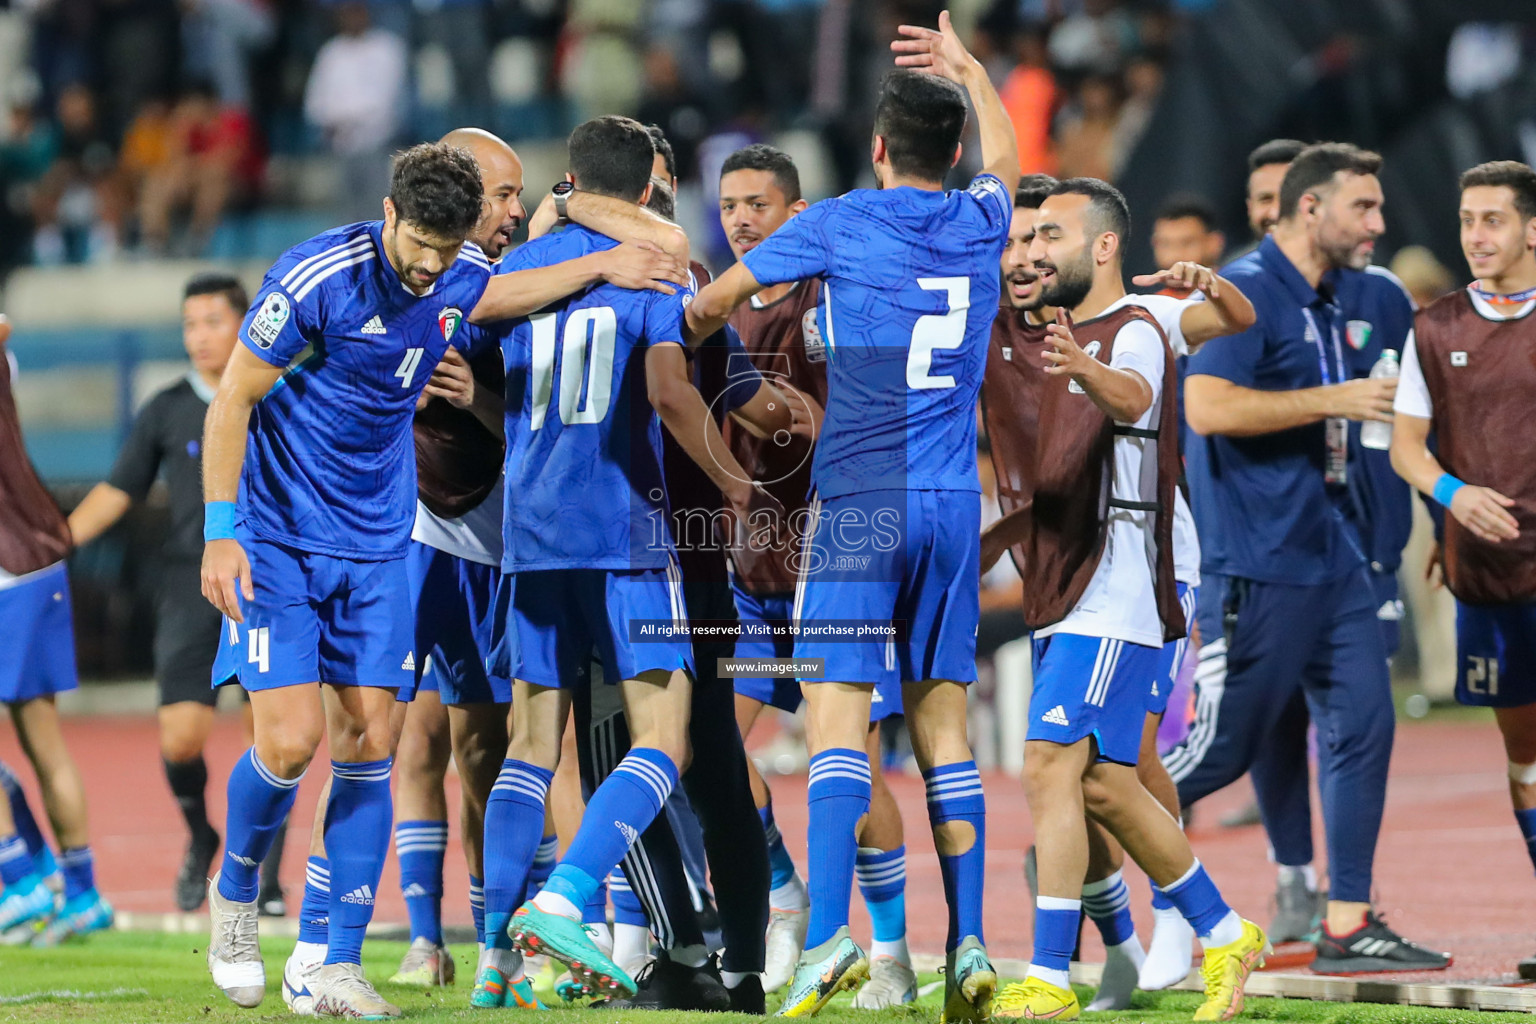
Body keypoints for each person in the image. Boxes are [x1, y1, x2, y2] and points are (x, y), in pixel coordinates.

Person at [201, 139, 687, 1019]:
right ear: (389, 215)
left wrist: (607, 260)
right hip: (277, 537)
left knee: (370, 748)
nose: (429, 267)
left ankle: (327, 962)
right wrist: (220, 532)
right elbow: (232, 397)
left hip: (379, 542)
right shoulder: (317, 279)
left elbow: (502, 288)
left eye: (445, 246)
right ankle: (235, 898)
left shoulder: (459, 271)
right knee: (286, 743)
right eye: (417, 244)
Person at [686, 14, 1018, 1018]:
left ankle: (828, 933)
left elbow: (720, 302)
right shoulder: (979, 218)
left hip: (861, 503)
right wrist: (969, 69)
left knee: (835, 719)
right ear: (949, 153)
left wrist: (689, 315)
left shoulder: (837, 220)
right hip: (953, 504)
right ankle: (967, 946)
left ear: (877, 148)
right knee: (943, 730)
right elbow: (1005, 153)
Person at [476, 114, 769, 1002]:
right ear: (649, 186)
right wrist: (733, 483)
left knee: (531, 745)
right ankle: (566, 901)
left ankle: (497, 960)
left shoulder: (523, 265)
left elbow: (473, 310)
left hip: (528, 535)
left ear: (570, 183)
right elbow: (671, 392)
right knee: (666, 739)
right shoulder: (655, 267)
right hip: (627, 536)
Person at [979, 177, 1265, 1023]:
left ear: (1101, 246)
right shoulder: (1021, 326)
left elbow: (1140, 393)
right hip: (1063, 570)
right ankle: (1221, 930)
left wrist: (1092, 364)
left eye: (1047, 238)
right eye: (1023, 242)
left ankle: (1048, 977)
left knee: (1049, 764)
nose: (1030, 254)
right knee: (1104, 782)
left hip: (1128, 576)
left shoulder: (1139, 327)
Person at [1165, 142, 1450, 973]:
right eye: (1364, 207)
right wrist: (1333, 399)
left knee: (1364, 725)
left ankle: (1347, 920)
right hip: (1258, 563)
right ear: (1310, 209)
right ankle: (1088, 821)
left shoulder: (1341, 300)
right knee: (1225, 749)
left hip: (1337, 558)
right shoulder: (1248, 290)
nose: (1380, 223)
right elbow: (1209, 407)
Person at [714, 141, 917, 1008]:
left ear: (797, 216)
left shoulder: (832, 302)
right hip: (749, 581)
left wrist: (803, 417)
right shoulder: (714, 312)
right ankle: (786, 891)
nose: (740, 220)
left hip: (837, 571)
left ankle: (894, 949)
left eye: (758, 204)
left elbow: (872, 419)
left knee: (856, 776)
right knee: (705, 749)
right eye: (728, 205)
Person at [68, 273, 290, 917]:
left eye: (212, 322)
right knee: (180, 741)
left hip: (269, 585)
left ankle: (264, 880)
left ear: (247, 322)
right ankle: (202, 836)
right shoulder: (165, 407)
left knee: (273, 739)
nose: (198, 337)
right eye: (189, 325)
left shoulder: (277, 391)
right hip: (189, 587)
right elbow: (119, 490)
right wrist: (50, 546)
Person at [1389, 160, 1536, 982]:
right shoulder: (1435, 328)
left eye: (1492, 220)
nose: (1476, 236)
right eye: (1467, 221)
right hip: (1487, 573)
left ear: (1532, 230)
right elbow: (1409, 446)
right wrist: (1455, 498)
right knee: (1523, 750)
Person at [0, 314, 114, 946]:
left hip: (8, 568)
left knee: (41, 743)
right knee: (42, 741)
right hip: (35, 561)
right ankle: (81, 891)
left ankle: (17, 881)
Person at [1151, 194, 1226, 286]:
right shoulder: (1149, 299)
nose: (1174, 256)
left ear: (1214, 243)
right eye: (1165, 244)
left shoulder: (1239, 292)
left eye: (1187, 243)